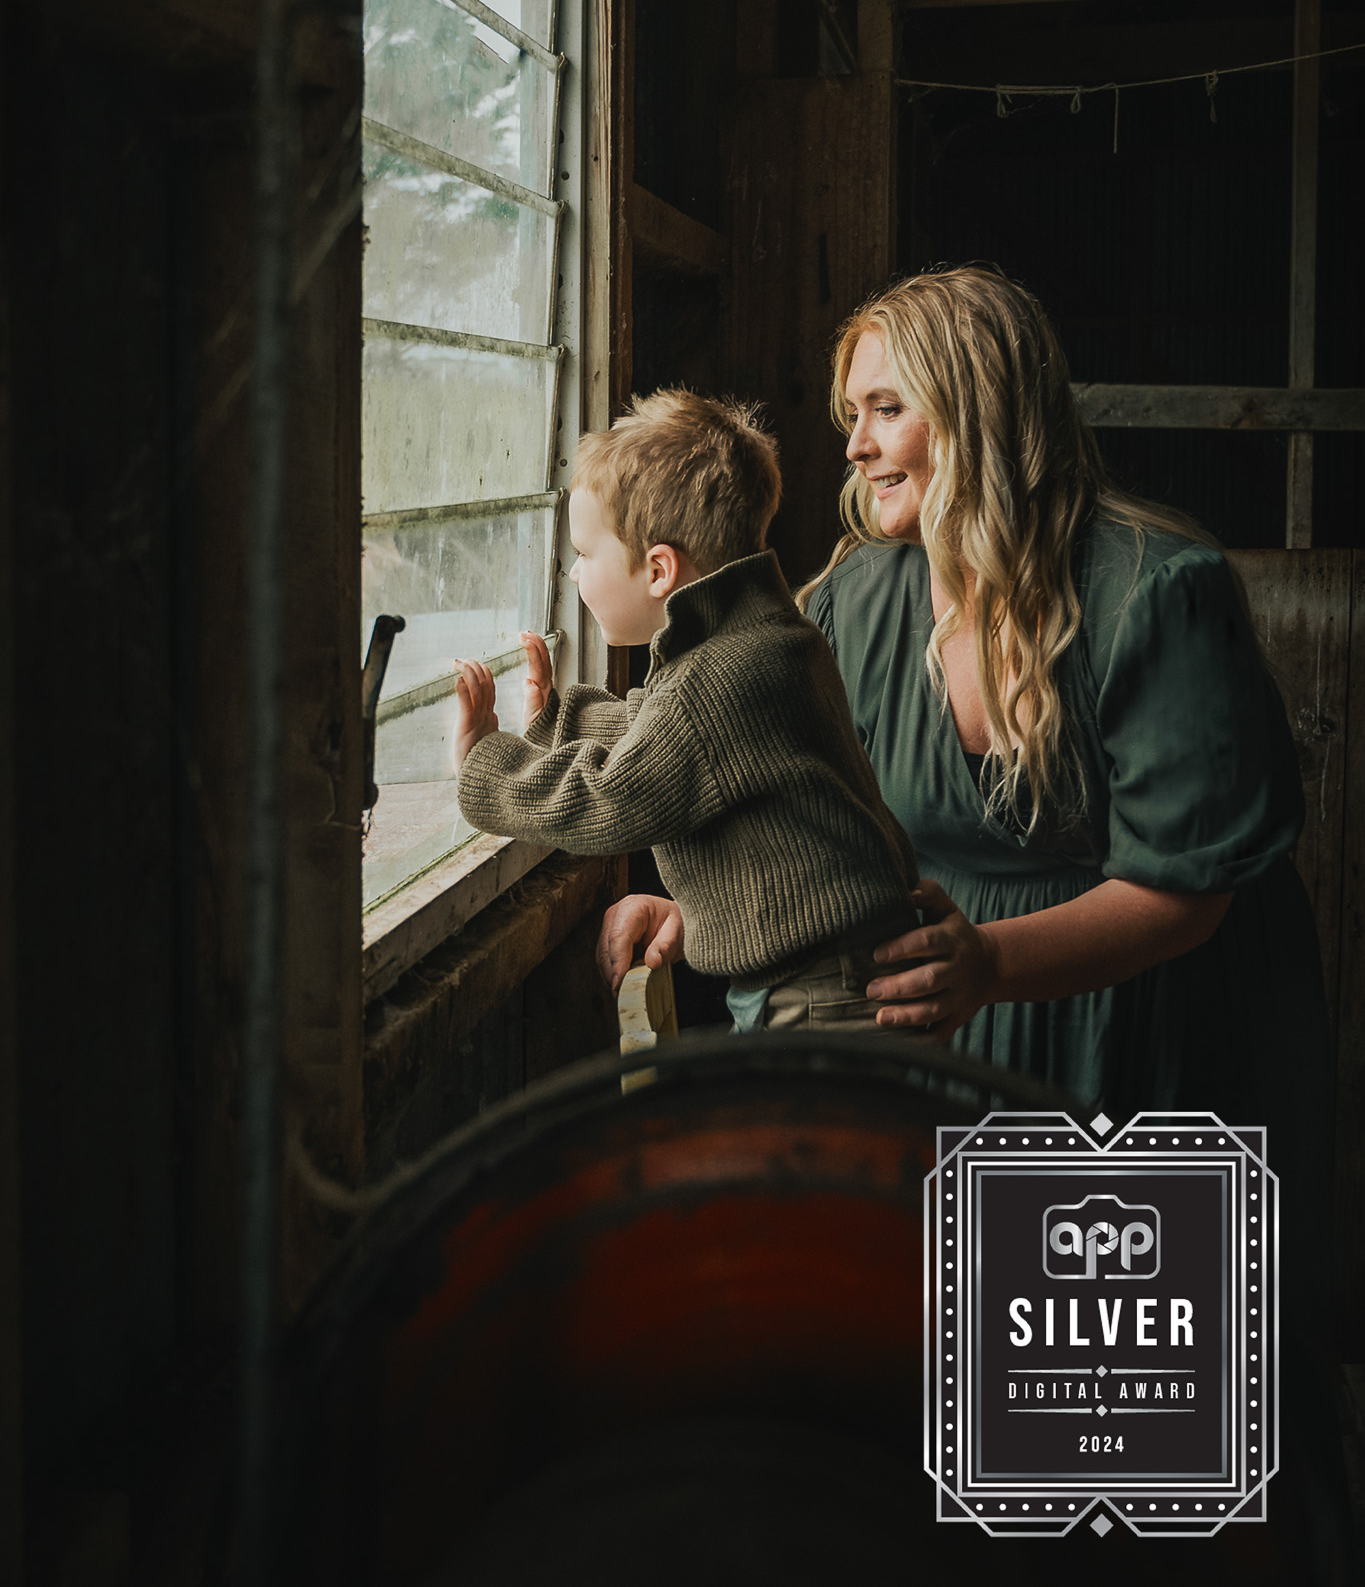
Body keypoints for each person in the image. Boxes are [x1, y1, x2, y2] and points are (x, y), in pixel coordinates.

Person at [596, 268, 1350, 1578]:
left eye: (887, 405)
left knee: (1136, 1436)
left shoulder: (1155, 588)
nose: (855, 438)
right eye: (849, 412)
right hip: (953, 1020)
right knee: (962, 1418)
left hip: (1145, 1026)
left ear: (979, 406)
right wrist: (694, 897)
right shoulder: (851, 596)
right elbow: (793, 811)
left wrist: (991, 961)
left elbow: (1190, 889)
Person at [453, 388, 919, 1026]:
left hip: (826, 993)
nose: (573, 576)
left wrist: (487, 764)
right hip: (839, 969)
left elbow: (615, 799)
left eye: (585, 556)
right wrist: (560, 721)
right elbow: (672, 738)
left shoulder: (719, 676)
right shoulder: (762, 638)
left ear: (658, 570)